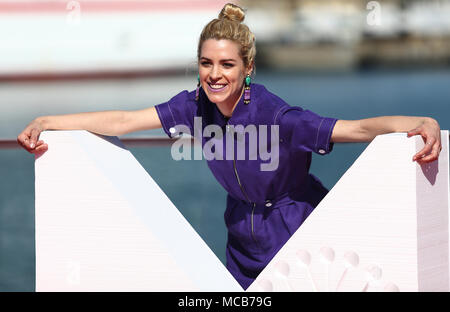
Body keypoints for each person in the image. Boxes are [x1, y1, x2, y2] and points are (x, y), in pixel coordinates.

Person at [17, 3, 442, 290]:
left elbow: (356, 129)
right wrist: (50, 121)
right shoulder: (193, 105)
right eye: (206, 63)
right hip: (239, 236)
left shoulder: (276, 116)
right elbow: (125, 121)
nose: (214, 75)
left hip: (294, 230)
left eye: (226, 65)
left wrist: (421, 122)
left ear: (248, 68)